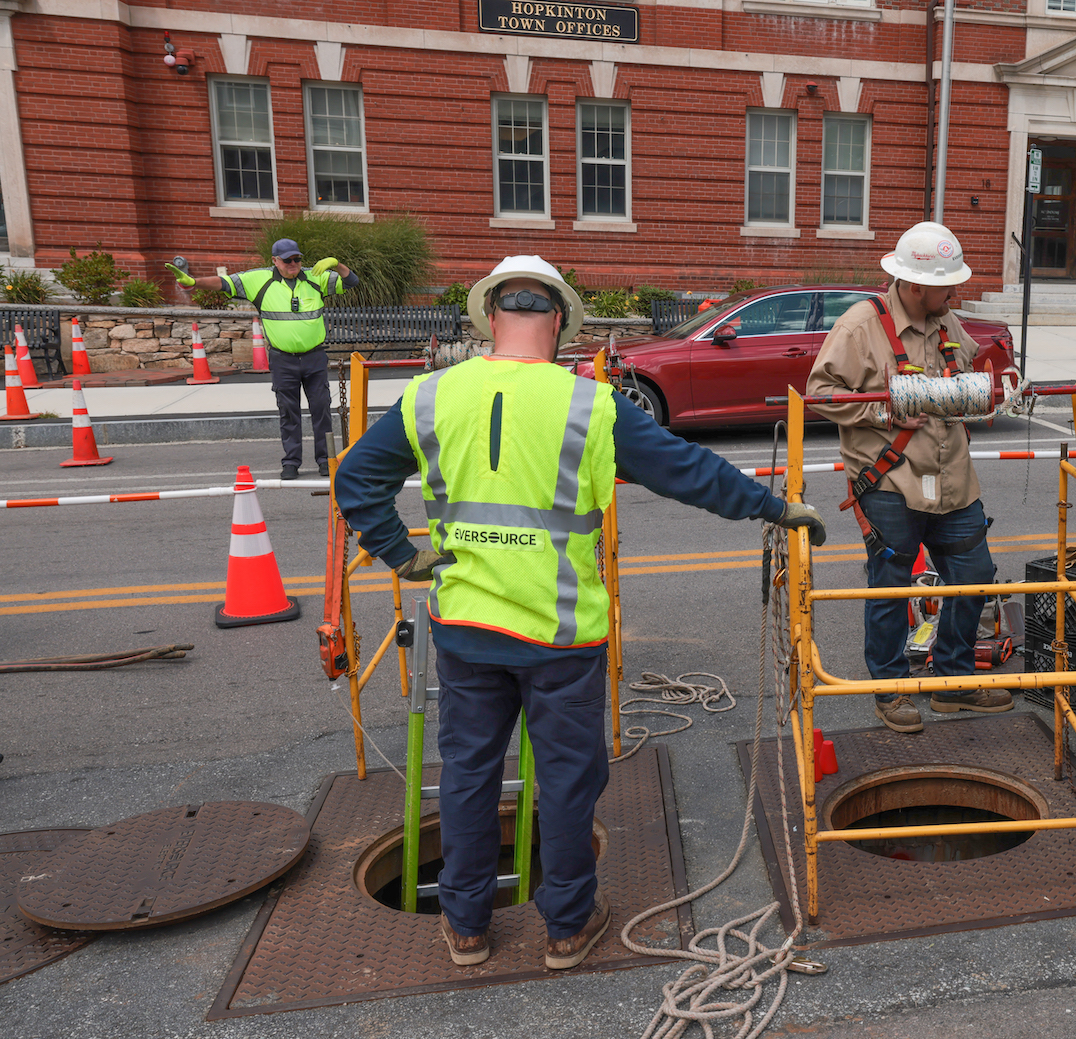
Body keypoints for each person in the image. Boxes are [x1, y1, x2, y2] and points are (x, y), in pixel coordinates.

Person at [335, 256, 826, 969]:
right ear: (559, 321)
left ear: (489, 319)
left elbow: (356, 478)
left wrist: (399, 554)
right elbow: (688, 472)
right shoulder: (590, 405)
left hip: (466, 626)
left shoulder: (430, 395)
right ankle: (566, 926)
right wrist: (775, 506)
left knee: (469, 773)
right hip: (561, 634)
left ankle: (466, 925)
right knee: (566, 777)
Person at [805, 222, 1010, 734]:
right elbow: (822, 392)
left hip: (953, 479)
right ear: (916, 285)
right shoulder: (859, 327)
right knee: (891, 589)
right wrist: (885, 413)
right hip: (893, 482)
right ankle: (891, 689)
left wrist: (981, 388)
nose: (954, 293)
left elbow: (964, 373)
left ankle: (954, 681)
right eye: (947, 285)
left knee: (975, 577)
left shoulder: (948, 324)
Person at [168, 239, 354, 480]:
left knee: (321, 409)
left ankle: (325, 460)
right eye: (287, 260)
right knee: (288, 411)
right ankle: (291, 462)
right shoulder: (259, 279)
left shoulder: (315, 277)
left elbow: (351, 281)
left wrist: (337, 264)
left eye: (297, 259)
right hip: (282, 360)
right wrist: (194, 282)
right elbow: (225, 283)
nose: (293, 264)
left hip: (314, 357)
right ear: (275, 261)